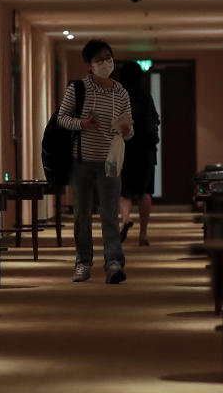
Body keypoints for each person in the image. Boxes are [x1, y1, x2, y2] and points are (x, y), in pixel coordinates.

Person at [57, 39, 134, 283]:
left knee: (110, 213)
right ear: (89, 65)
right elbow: (61, 118)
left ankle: (113, 262)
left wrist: (126, 131)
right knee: (82, 214)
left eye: (108, 58)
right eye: (99, 60)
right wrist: (82, 124)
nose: (105, 63)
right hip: (81, 160)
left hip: (110, 161)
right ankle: (83, 261)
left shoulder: (121, 92)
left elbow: (129, 129)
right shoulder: (78, 88)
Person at [118, 61, 160, 246]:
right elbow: (155, 121)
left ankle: (125, 219)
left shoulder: (118, 98)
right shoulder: (145, 98)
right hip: (145, 150)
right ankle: (143, 233)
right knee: (145, 192)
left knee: (124, 191)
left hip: (124, 149)